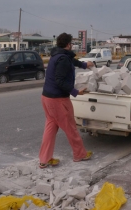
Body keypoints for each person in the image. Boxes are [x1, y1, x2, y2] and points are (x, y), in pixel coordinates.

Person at [38, 32, 94, 169]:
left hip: (46, 98)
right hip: (58, 100)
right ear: (69, 44)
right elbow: (60, 81)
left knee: (50, 128)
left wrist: (85, 64)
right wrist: (76, 91)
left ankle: (44, 160)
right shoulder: (62, 59)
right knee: (70, 127)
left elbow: (71, 61)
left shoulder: (57, 55)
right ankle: (80, 154)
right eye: (72, 44)